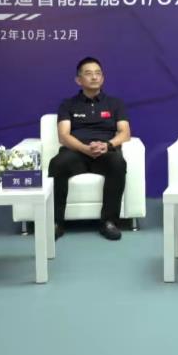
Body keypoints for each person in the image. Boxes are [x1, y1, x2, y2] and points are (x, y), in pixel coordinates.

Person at [48, 57, 130, 241]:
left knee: (118, 163)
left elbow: (125, 133)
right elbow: (64, 136)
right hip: (76, 152)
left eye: (98, 73)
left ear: (103, 78)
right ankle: (55, 222)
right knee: (57, 164)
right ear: (78, 80)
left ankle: (109, 222)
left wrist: (108, 145)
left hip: (105, 152)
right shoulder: (68, 104)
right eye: (88, 73)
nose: (94, 77)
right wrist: (85, 148)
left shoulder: (115, 103)